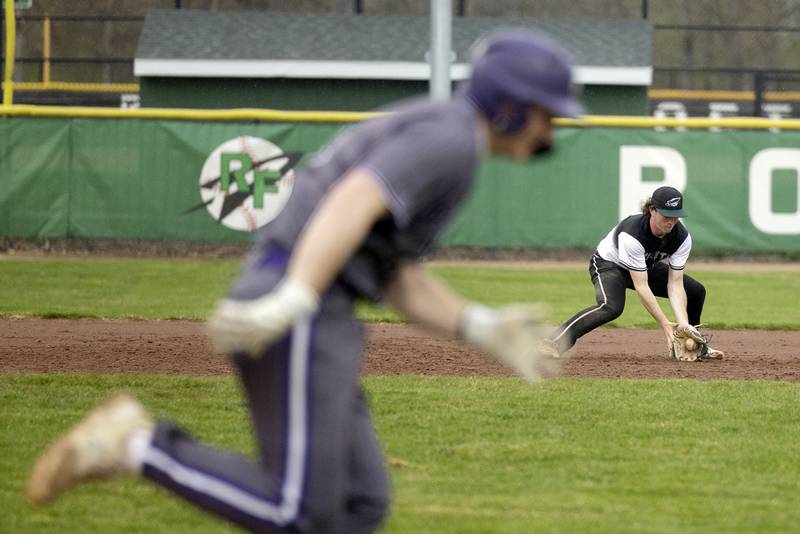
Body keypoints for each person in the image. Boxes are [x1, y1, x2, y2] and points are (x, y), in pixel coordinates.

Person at [27, 29, 581, 533]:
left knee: (360, 502)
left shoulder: (448, 133)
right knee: (295, 511)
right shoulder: (452, 139)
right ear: (509, 106)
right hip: (302, 309)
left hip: (316, 307)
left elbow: (396, 275)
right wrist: (296, 296)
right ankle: (135, 446)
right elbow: (352, 200)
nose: (550, 131)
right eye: (546, 114)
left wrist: (478, 326)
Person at [543, 185, 724, 360]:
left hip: (645, 265)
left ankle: (691, 344)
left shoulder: (682, 238)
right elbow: (641, 286)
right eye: (667, 215)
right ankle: (554, 342)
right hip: (609, 264)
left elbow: (675, 283)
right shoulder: (633, 234)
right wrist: (665, 324)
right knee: (611, 307)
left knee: (696, 291)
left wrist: (683, 325)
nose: (671, 221)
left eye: (676, 216)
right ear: (652, 210)